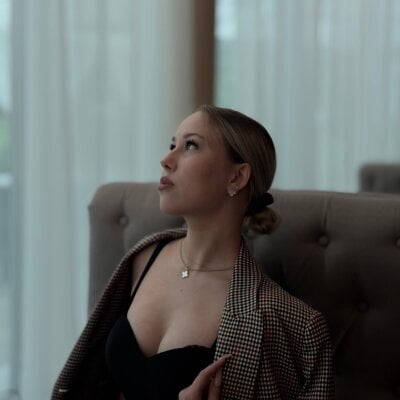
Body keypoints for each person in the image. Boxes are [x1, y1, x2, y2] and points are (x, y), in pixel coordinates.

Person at [52, 105, 335, 400]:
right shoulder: (143, 256)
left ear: (237, 177)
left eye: (190, 146)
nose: (165, 160)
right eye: (172, 145)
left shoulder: (290, 322)